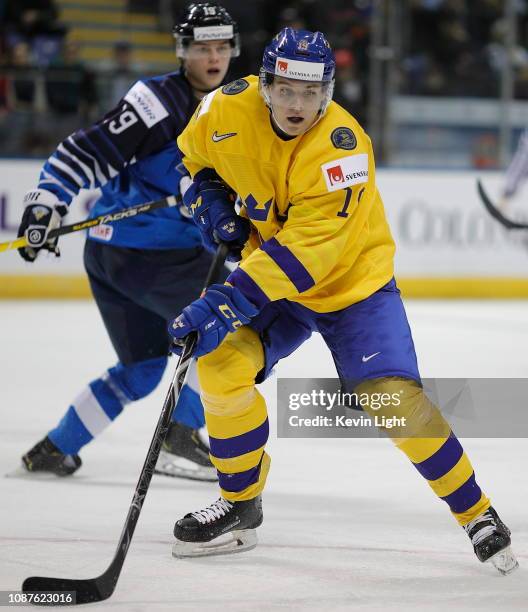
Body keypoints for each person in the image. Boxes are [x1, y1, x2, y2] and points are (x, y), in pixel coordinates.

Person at [168, 28, 518, 574]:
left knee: (392, 401)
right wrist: (212, 204)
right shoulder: (224, 107)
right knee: (220, 366)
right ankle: (241, 503)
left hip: (352, 288)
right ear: (265, 84)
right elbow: (190, 161)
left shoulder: (343, 149)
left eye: (312, 93)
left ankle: (476, 512)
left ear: (328, 91)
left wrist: (224, 303)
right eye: (286, 90)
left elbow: (306, 256)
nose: (298, 105)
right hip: (274, 279)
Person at [16, 2, 246, 482]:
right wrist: (45, 204)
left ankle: (56, 447)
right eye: (203, 47)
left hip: (115, 258)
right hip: (148, 257)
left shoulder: (237, 105)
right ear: (184, 51)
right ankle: (180, 439)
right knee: (239, 327)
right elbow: (86, 151)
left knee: (141, 369)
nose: (214, 57)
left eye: (222, 46)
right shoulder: (156, 102)